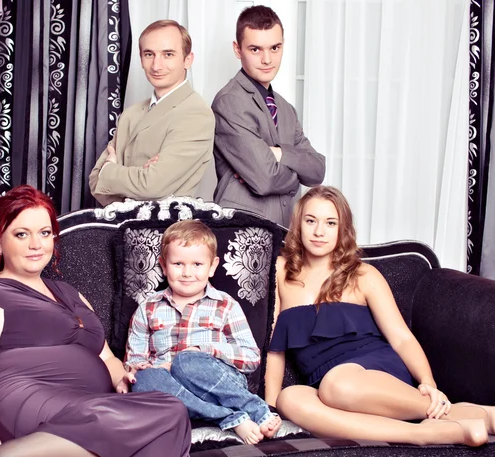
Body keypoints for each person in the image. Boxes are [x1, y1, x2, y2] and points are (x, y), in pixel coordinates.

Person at [0, 185, 191, 457]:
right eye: (21, 234)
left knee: (171, 415)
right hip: (29, 401)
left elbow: (107, 358)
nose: (36, 245)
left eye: (44, 233)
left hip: (88, 406)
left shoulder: (70, 293)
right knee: (169, 413)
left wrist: (125, 378)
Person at [264, 185, 495, 446]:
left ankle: (471, 413)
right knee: (290, 399)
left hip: (375, 371)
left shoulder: (363, 275)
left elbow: (401, 338)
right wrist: (269, 408)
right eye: (310, 221)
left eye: (330, 223)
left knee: (338, 385)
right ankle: (425, 433)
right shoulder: (283, 270)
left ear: (343, 229)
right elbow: (275, 348)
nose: (319, 232)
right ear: (298, 224)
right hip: (324, 384)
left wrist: (428, 382)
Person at [125, 220, 281, 445]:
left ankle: (255, 408)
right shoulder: (148, 307)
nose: (187, 273)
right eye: (178, 263)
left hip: (217, 383)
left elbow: (251, 358)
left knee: (186, 361)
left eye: (197, 264)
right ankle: (228, 416)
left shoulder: (225, 305)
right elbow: (134, 360)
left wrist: (203, 351)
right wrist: (137, 369)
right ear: (163, 264)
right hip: (173, 390)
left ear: (212, 266)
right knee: (142, 380)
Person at [212, 5, 325, 228]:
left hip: (285, 230)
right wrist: (296, 176)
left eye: (275, 48)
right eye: (255, 49)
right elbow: (266, 179)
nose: (267, 59)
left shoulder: (285, 108)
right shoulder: (229, 101)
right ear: (237, 49)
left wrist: (280, 154)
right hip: (242, 233)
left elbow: (317, 171)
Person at [89, 20, 214, 207]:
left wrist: (110, 171)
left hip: (167, 231)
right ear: (141, 59)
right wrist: (139, 178)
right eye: (149, 54)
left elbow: (152, 185)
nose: (156, 65)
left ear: (187, 59)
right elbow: (95, 181)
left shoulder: (196, 114)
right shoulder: (130, 114)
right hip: (120, 228)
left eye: (168, 54)